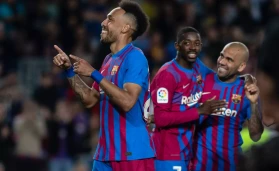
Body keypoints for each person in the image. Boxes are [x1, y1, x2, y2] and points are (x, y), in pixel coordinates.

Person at [53, 1, 155, 171]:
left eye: (110, 19)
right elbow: (90, 99)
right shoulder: (108, 60)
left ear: (125, 28)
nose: (103, 22)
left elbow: (128, 101)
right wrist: (69, 71)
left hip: (131, 153)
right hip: (105, 154)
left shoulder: (135, 58)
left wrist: (94, 73)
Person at [150, 27, 227, 171]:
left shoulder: (197, 66)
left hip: (186, 151)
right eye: (187, 43)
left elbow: (217, 80)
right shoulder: (168, 75)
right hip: (167, 153)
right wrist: (199, 111)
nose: (193, 47)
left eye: (197, 43)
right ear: (177, 46)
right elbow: (160, 118)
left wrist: (242, 80)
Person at [191, 42, 264, 171]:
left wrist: (253, 103)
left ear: (241, 66)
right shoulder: (202, 82)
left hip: (230, 165)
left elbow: (256, 136)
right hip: (199, 164)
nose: (222, 62)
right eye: (221, 56)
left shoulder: (247, 91)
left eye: (229, 59)